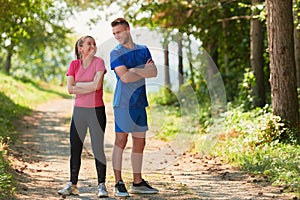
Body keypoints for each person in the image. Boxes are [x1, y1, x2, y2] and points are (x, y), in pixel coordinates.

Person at [110, 17, 159, 197]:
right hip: (123, 104)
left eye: (119, 32)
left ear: (128, 29)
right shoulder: (115, 53)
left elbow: (154, 72)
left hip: (140, 103)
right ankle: (118, 183)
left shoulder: (143, 49)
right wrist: (141, 71)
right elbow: (125, 78)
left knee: (140, 143)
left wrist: (135, 70)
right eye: (114, 34)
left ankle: (137, 182)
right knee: (120, 142)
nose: (117, 36)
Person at [58, 36, 108, 198]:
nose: (93, 45)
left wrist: (79, 85)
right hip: (79, 111)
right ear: (80, 48)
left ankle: (101, 185)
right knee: (75, 148)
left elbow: (97, 85)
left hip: (96, 111)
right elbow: (70, 89)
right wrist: (88, 86)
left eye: (94, 43)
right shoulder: (74, 64)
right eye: (89, 43)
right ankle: (72, 184)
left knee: (98, 148)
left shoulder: (99, 62)